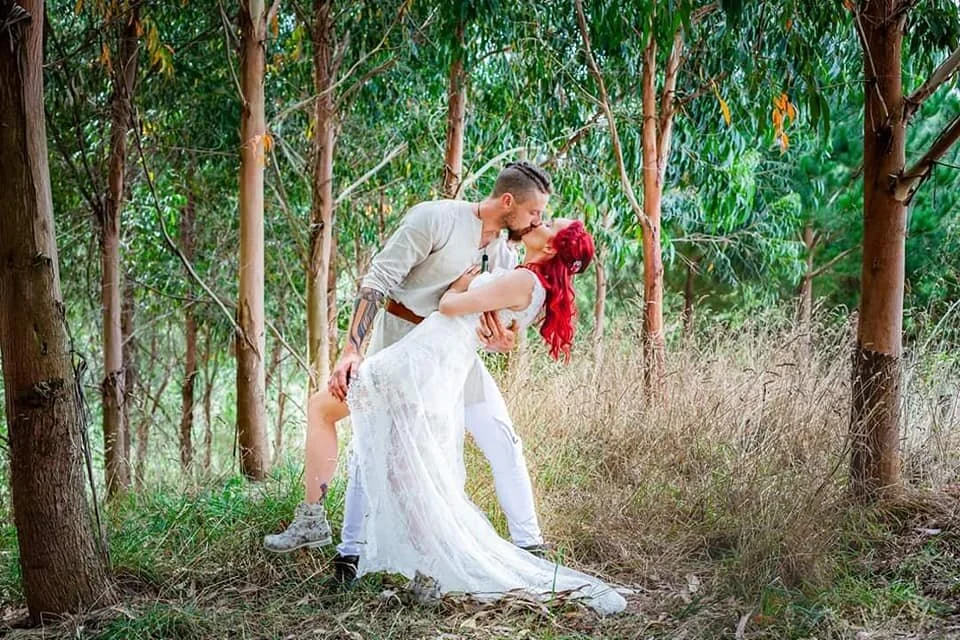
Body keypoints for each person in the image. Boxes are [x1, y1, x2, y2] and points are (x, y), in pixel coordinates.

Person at [264, 162, 553, 582]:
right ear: (507, 201)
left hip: (455, 359)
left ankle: (529, 545)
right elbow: (378, 279)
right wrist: (351, 351)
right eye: (533, 213)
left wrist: (499, 336)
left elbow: (488, 312)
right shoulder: (435, 217)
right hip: (400, 344)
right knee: (371, 443)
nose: (537, 222)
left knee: (502, 438)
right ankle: (349, 552)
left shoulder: (506, 253)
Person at [346, 218, 626, 615]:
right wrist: (500, 330)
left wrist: (468, 297)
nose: (540, 220)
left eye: (547, 221)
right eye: (541, 214)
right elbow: (493, 320)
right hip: (441, 355)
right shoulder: (515, 264)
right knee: (400, 451)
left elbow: (455, 308)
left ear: (550, 249)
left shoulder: (524, 278)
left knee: (454, 449)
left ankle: (479, 549)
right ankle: (360, 549)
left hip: (441, 359)